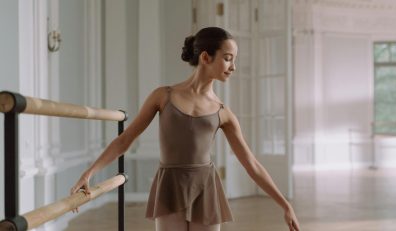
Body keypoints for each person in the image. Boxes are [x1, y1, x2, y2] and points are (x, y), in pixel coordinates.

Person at [71, 27, 300, 231]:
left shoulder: (223, 113)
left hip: (206, 188)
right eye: (228, 58)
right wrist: (88, 173)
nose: (233, 67)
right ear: (205, 57)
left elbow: (251, 164)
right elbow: (125, 139)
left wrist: (285, 204)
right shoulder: (163, 96)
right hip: (170, 184)